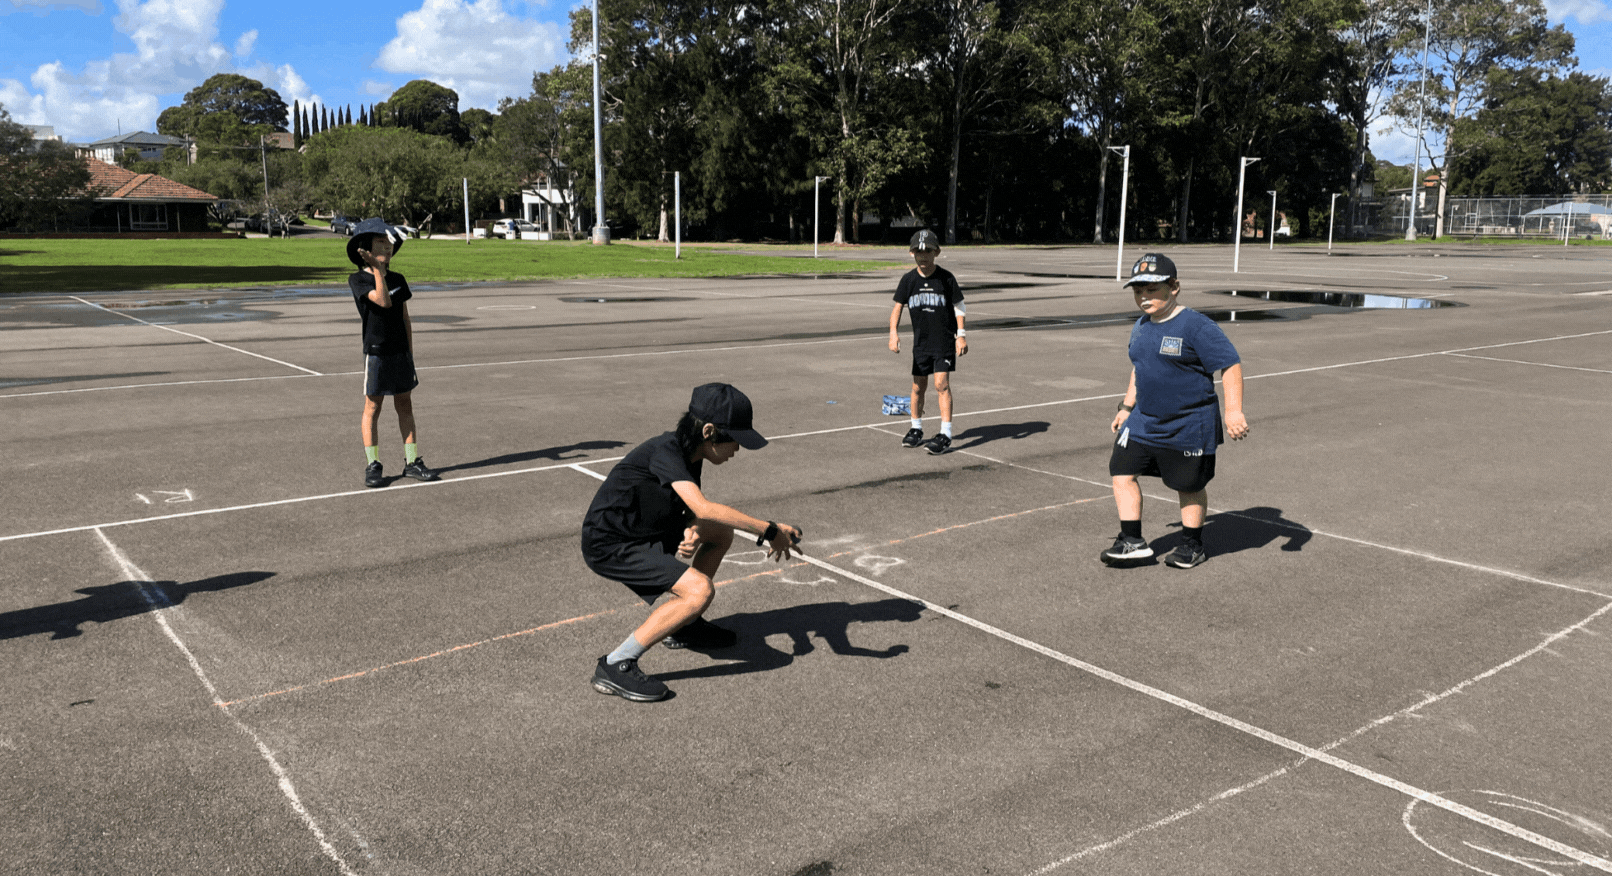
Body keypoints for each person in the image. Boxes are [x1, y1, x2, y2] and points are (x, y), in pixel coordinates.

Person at [582, 383, 803, 703]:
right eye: (734, 441)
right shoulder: (668, 452)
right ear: (709, 431)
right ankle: (615, 664)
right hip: (612, 544)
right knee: (700, 590)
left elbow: (691, 510)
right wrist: (769, 530)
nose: (737, 449)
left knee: (719, 533)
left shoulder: (691, 452)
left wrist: (693, 528)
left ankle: (684, 626)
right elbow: (704, 506)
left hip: (645, 532)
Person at [1104, 253, 1249, 569]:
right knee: (1121, 471)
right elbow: (1138, 369)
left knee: (1189, 486)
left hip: (1189, 424)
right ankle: (1132, 542)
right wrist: (1126, 407)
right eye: (1138, 290)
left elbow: (1230, 365)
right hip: (1144, 420)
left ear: (1174, 287)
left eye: (1152, 290)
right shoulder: (1141, 327)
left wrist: (1234, 411)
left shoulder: (1196, 326)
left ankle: (1192, 545)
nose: (1144, 297)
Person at [347, 217, 439, 488]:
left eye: (389, 244)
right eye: (380, 243)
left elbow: (404, 317)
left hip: (400, 353)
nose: (387, 249)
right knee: (373, 407)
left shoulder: (398, 279)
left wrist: (410, 353)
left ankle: (411, 461)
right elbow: (383, 301)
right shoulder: (358, 279)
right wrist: (376, 269)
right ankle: (373, 464)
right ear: (365, 246)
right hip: (376, 353)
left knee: (405, 406)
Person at [888, 228, 967, 454]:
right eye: (918, 251)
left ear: (937, 252)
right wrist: (893, 332)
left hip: (943, 342)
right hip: (921, 344)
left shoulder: (946, 278)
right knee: (917, 387)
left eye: (928, 251)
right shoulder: (908, 280)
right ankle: (916, 429)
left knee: (941, 385)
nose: (923, 256)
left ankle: (945, 434)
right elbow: (897, 307)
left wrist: (961, 335)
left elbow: (959, 306)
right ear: (912, 253)